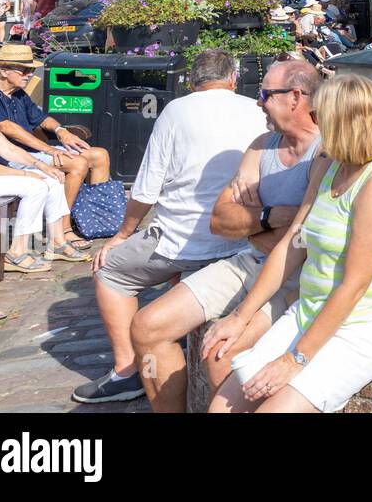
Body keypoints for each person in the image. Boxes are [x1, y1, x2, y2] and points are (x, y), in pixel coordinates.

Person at [205, 74, 372, 413]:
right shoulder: (328, 165)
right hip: (311, 309)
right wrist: (241, 317)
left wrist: (294, 359)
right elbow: (292, 243)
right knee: (222, 408)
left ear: (344, 121)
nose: (311, 122)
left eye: (317, 116)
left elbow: (354, 286)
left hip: (366, 325)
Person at [72, 49, 269, 404]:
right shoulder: (257, 109)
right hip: (240, 242)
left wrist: (121, 235)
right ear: (233, 79)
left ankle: (127, 370)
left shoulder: (177, 110)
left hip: (183, 241)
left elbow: (146, 188)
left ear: (192, 82)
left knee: (109, 273)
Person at [130, 59, 324, 413]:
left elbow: (311, 236)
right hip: (248, 260)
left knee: (222, 352)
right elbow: (220, 220)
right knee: (147, 327)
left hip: (295, 277)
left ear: (296, 97)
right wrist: (269, 217)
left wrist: (253, 222)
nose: (258, 101)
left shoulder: (326, 152)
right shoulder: (261, 145)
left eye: (265, 93)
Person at [0, 63, 84, 275]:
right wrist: (26, 174)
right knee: (35, 186)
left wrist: (40, 165)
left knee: (52, 178)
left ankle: (57, 241)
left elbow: (7, 148)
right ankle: (16, 252)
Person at [0, 45, 111, 252]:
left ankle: (96, 220)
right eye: (23, 70)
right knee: (78, 163)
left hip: (33, 152)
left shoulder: (19, 94)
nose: (30, 74)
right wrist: (50, 150)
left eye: (31, 70)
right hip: (9, 157)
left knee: (99, 155)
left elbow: (41, 119)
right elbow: (7, 128)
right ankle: (63, 227)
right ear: (3, 71)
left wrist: (62, 131)